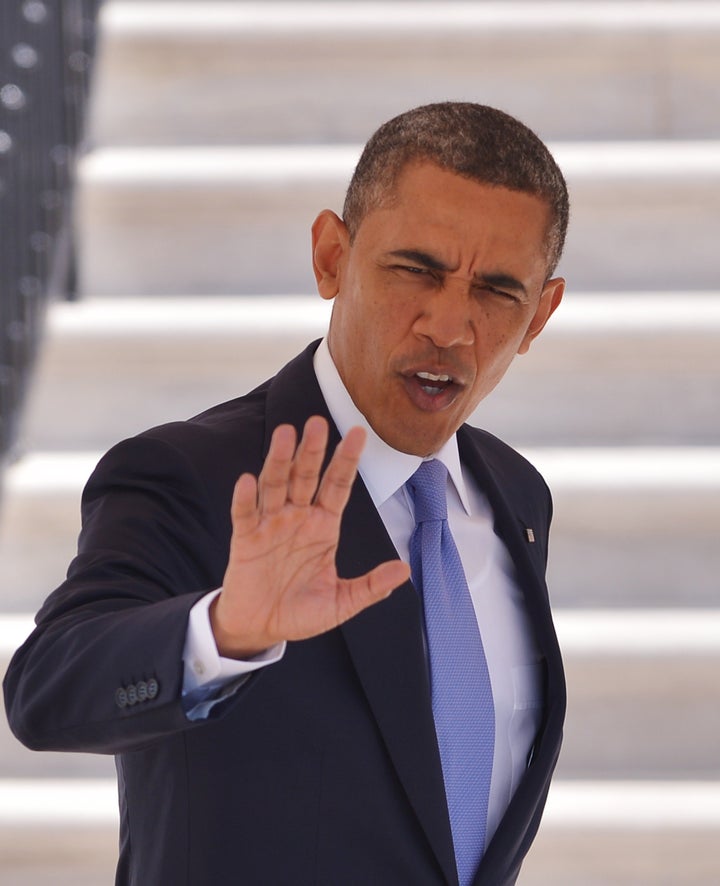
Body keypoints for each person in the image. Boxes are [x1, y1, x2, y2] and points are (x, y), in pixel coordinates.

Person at [4, 102, 568, 886]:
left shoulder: (516, 497)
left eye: (498, 290)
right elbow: (47, 692)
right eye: (416, 269)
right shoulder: (194, 473)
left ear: (541, 313)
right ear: (331, 256)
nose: (450, 325)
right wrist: (226, 631)